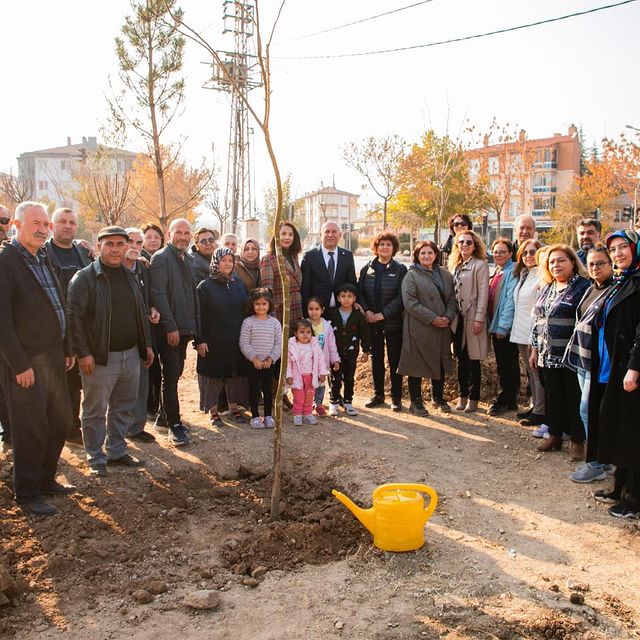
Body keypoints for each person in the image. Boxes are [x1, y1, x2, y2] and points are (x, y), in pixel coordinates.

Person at [0, 201, 76, 516]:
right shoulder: (6, 261)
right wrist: (19, 364)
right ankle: (27, 492)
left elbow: (59, 303)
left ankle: (45, 479)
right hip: (26, 364)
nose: (43, 229)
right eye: (36, 224)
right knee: (30, 428)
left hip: (55, 358)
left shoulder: (43, 257)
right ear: (17, 225)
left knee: (61, 421)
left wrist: (68, 346)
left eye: (46, 224)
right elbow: (2, 321)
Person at [68, 226, 153, 477]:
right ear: (99, 245)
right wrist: (83, 353)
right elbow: (75, 318)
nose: (115, 249)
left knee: (123, 406)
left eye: (120, 244)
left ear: (127, 246)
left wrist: (146, 344)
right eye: (109, 244)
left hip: (130, 355)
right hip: (100, 358)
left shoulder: (130, 276)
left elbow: (141, 312)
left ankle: (116, 451)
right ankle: (95, 456)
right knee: (95, 409)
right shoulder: (84, 278)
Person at [586, 230, 640, 518]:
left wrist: (634, 368)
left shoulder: (638, 281)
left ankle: (634, 500)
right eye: (614, 249)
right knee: (615, 427)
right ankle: (618, 486)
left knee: (632, 433)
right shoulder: (622, 281)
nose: (618, 254)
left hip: (630, 371)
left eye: (623, 248)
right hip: (611, 366)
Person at [530, 245, 590, 458]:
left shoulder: (583, 287)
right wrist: (535, 349)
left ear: (572, 262)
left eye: (561, 260)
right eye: (552, 262)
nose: (556, 265)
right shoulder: (547, 287)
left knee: (573, 398)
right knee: (553, 396)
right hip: (548, 354)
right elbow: (538, 320)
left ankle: (576, 441)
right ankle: (555, 435)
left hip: (571, 355)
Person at [563, 245, 614, 483]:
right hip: (582, 358)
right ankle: (602, 459)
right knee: (589, 411)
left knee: (588, 410)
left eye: (600, 263)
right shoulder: (591, 288)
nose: (595, 267)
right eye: (591, 264)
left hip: (599, 362)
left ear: (611, 263)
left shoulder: (614, 290)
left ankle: (596, 462)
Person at [150, 218, 200, 446]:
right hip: (170, 330)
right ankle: (174, 425)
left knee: (176, 372)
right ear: (169, 234)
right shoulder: (161, 259)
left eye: (186, 233)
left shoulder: (187, 259)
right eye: (178, 232)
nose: (182, 236)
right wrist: (170, 327)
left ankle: (162, 417)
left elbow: (191, 294)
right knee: (169, 377)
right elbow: (158, 295)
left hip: (185, 329)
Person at [44, 207, 92, 445]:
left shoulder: (83, 254)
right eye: (61, 221)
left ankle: (73, 429)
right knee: (51, 384)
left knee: (75, 384)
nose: (67, 226)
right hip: (51, 328)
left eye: (72, 222)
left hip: (80, 327)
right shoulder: (42, 253)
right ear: (52, 226)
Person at [397, 241, 457, 416]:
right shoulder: (411, 275)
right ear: (417, 255)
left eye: (430, 253)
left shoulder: (445, 275)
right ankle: (415, 401)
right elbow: (410, 303)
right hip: (419, 326)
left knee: (439, 362)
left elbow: (452, 299)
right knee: (416, 363)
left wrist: (447, 317)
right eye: (422, 253)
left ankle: (437, 397)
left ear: (436, 254)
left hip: (442, 327)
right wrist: (432, 319)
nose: (426, 256)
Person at [196, 248, 248, 426]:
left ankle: (234, 409)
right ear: (216, 262)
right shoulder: (205, 286)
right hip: (212, 341)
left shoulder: (239, 284)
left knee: (235, 376)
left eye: (230, 260)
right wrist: (199, 340)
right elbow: (198, 315)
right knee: (213, 377)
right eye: (223, 260)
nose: (227, 264)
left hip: (235, 340)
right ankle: (214, 412)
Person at [358, 231, 407, 411]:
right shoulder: (367, 269)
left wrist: (383, 314)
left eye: (388, 245)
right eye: (381, 244)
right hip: (372, 323)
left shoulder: (401, 270)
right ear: (376, 248)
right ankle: (378, 395)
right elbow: (360, 293)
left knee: (394, 360)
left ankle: (396, 397)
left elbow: (402, 297)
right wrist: (368, 311)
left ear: (394, 248)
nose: (385, 247)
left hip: (392, 323)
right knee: (376, 358)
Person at [123, 227, 161, 443]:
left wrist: (153, 309)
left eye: (139, 243)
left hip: (142, 337)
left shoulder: (143, 268)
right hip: (118, 338)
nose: (134, 247)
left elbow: (147, 298)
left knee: (141, 381)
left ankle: (136, 428)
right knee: (120, 389)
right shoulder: (112, 268)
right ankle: (117, 435)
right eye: (130, 242)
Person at [448, 229, 490, 413]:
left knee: (473, 359)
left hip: (473, 317)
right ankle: (462, 395)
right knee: (460, 359)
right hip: (457, 319)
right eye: (461, 242)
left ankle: (474, 398)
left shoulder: (480, 265)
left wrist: (479, 318)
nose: (464, 245)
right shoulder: (454, 265)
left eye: (468, 242)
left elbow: (483, 294)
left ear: (475, 245)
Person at [510, 239, 546, 428]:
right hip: (521, 331)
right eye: (525, 253)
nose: (528, 256)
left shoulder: (542, 275)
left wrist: (535, 339)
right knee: (531, 374)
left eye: (533, 252)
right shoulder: (524, 274)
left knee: (537, 373)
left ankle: (541, 412)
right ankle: (536, 407)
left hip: (534, 333)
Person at [325, 283, 371, 417]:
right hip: (335, 355)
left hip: (351, 354)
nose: (346, 299)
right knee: (335, 378)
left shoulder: (358, 316)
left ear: (354, 298)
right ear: (338, 298)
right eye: (343, 296)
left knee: (349, 378)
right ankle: (333, 402)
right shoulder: (331, 314)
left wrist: (366, 351)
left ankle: (348, 402)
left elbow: (365, 334)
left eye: (349, 296)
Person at [239, 288, 282, 429]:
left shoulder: (275, 323)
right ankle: (255, 416)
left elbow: (278, 343)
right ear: (252, 305)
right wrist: (254, 359)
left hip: (269, 363)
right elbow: (244, 342)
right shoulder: (248, 322)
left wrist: (270, 359)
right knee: (254, 389)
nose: (261, 307)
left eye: (264, 304)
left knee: (268, 390)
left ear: (270, 305)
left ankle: (268, 415)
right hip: (253, 363)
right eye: (257, 304)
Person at [487, 238, 520, 415]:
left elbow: (509, 301)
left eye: (502, 251)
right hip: (495, 325)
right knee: (503, 363)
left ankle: (507, 398)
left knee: (508, 364)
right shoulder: (498, 271)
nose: (498, 254)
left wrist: (503, 327)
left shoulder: (512, 271)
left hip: (504, 328)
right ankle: (510, 398)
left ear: (510, 254)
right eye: (496, 251)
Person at [301, 220, 357, 310]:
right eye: (327, 231)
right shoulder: (309, 256)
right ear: (321, 235)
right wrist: (306, 310)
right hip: (317, 312)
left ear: (340, 235)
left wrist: (355, 303)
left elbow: (352, 282)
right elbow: (305, 286)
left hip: (341, 310)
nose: (330, 235)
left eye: (334, 232)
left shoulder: (347, 255)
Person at [260, 221, 303, 335]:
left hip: (297, 311)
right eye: (283, 234)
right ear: (276, 236)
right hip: (280, 314)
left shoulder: (294, 257)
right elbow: (267, 291)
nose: (287, 237)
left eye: (290, 234)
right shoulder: (269, 259)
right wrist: (273, 318)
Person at [140, 221, 165, 417]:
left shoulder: (164, 259)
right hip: (144, 321)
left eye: (157, 237)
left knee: (160, 366)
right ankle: (148, 405)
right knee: (149, 363)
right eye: (148, 237)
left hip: (163, 321)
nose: (153, 240)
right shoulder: (139, 261)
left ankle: (158, 404)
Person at [286, 319, 328, 426]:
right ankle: (297, 415)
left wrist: (322, 373)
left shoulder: (314, 345)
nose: (305, 335)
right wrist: (289, 375)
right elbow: (288, 363)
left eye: (308, 332)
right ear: (296, 333)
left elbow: (320, 360)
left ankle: (308, 414)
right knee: (299, 397)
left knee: (309, 396)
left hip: (311, 376)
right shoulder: (292, 346)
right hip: (297, 376)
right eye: (302, 332)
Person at [306, 297, 340, 417]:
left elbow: (331, 344)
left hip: (322, 362)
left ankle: (319, 404)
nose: (313, 312)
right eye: (311, 309)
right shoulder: (305, 325)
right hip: (307, 362)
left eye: (316, 309)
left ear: (322, 310)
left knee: (321, 383)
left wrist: (335, 360)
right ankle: (308, 404)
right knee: (309, 383)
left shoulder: (327, 326)